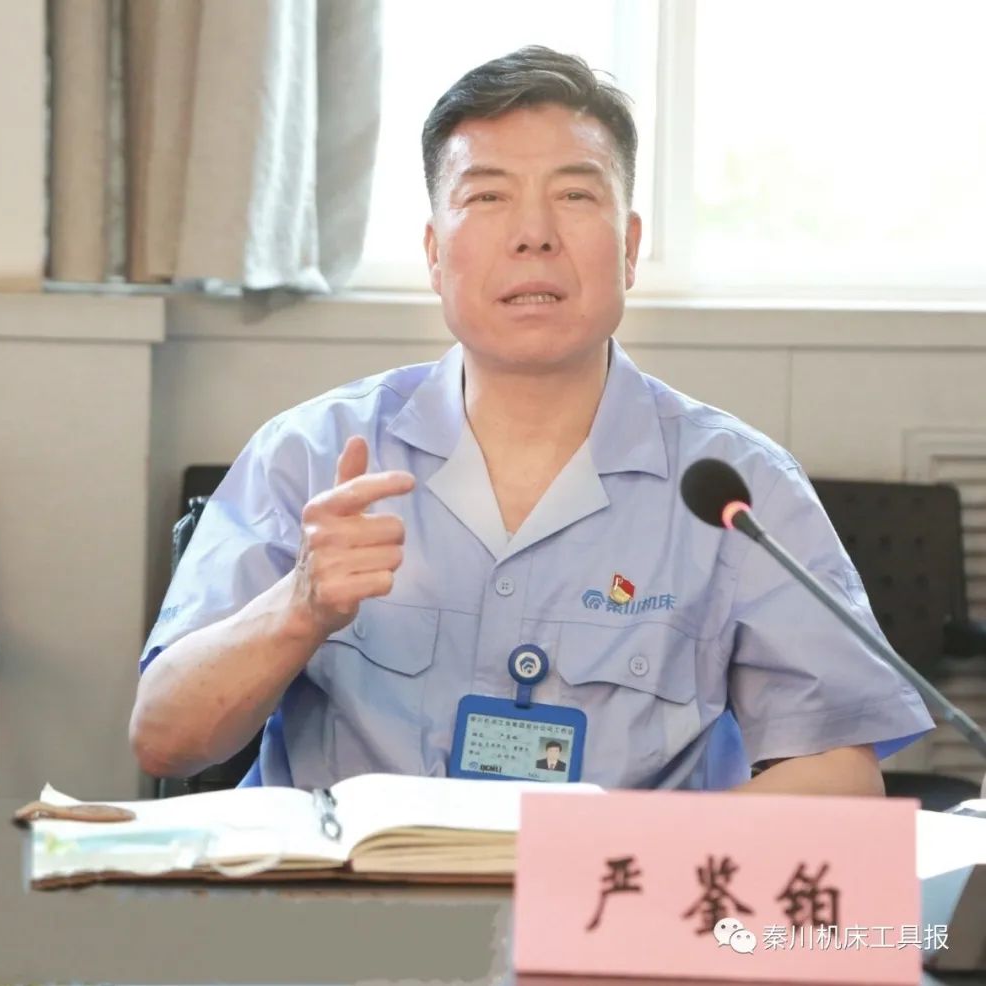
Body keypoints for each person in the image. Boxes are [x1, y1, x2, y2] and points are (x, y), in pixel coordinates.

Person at [130, 46, 933, 795]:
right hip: (343, 897)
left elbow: (838, 773)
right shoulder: (309, 454)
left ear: (629, 247)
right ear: (435, 253)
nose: (534, 236)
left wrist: (641, 860)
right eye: (487, 196)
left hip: (614, 899)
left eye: (575, 195)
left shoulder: (738, 486)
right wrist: (299, 607)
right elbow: (165, 739)